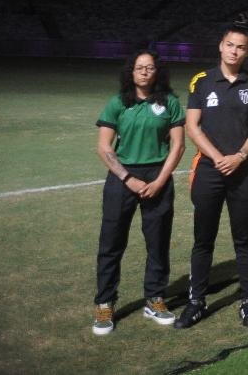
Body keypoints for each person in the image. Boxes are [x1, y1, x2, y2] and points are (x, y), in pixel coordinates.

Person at [174, 18, 248, 330]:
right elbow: (192, 126)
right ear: (220, 46)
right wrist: (218, 158)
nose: (234, 51)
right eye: (230, 44)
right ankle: (196, 302)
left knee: (244, 240)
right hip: (209, 171)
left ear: (247, 51)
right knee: (203, 239)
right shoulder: (201, 80)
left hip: (243, 172)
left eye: (241, 47)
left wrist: (240, 156)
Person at [92, 50, 186, 335]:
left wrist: (160, 180)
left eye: (150, 67)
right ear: (130, 72)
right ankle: (105, 302)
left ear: (158, 72)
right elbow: (104, 147)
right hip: (122, 179)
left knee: (157, 242)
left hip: (158, 176)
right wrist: (127, 178)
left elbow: (178, 146)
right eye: (139, 67)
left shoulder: (169, 102)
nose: (145, 71)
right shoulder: (118, 103)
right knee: (111, 243)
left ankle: (155, 299)